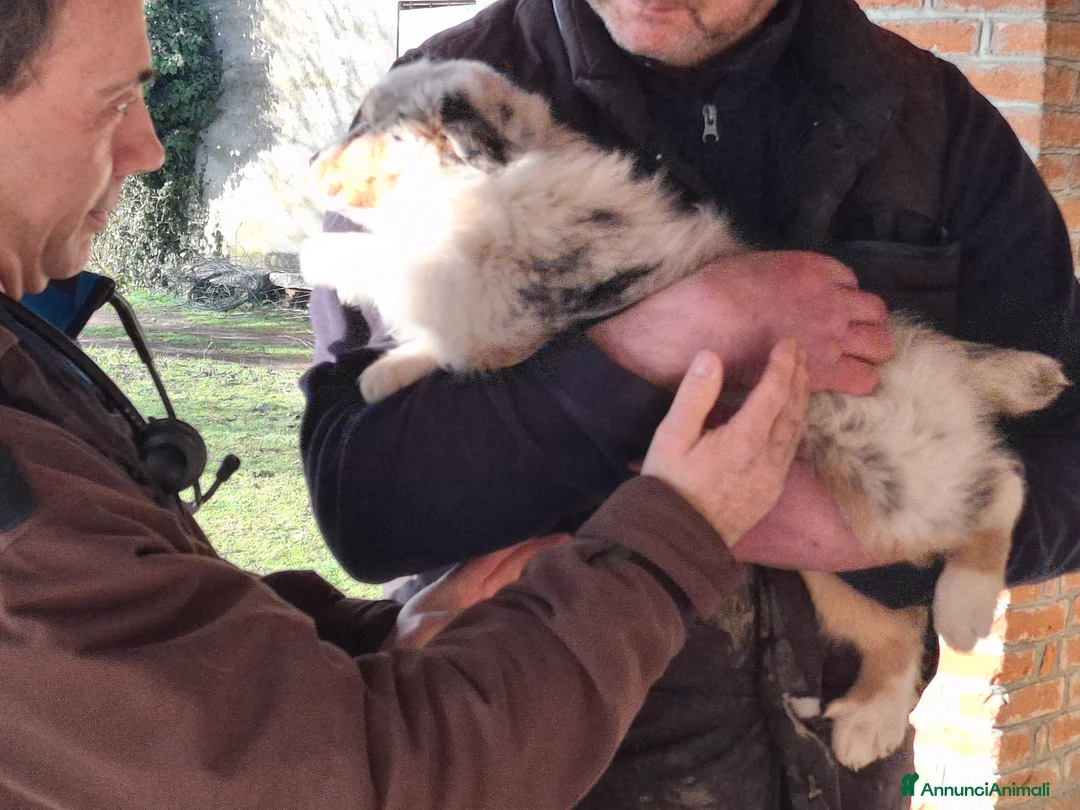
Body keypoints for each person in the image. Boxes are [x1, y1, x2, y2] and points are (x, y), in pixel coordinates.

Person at [0, 2, 845, 808]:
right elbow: (344, 773)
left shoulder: (912, 105)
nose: (150, 147)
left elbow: (149, 656)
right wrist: (675, 528)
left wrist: (363, 639)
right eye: (112, 101)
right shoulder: (432, 102)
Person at [301, 0, 1080, 807]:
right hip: (546, 767)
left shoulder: (931, 115)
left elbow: (1067, 441)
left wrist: (870, 536)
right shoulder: (436, 110)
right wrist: (657, 341)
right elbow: (362, 507)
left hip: (842, 775)